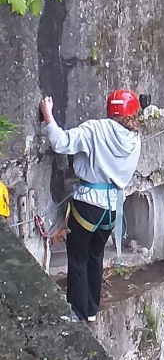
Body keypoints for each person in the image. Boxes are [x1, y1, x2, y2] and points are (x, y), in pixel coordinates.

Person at [40, 90, 141, 322]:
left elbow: (61, 143)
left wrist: (48, 115)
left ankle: (77, 313)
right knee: (95, 256)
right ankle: (92, 309)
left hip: (88, 204)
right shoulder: (135, 139)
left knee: (77, 257)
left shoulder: (96, 129)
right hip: (113, 208)